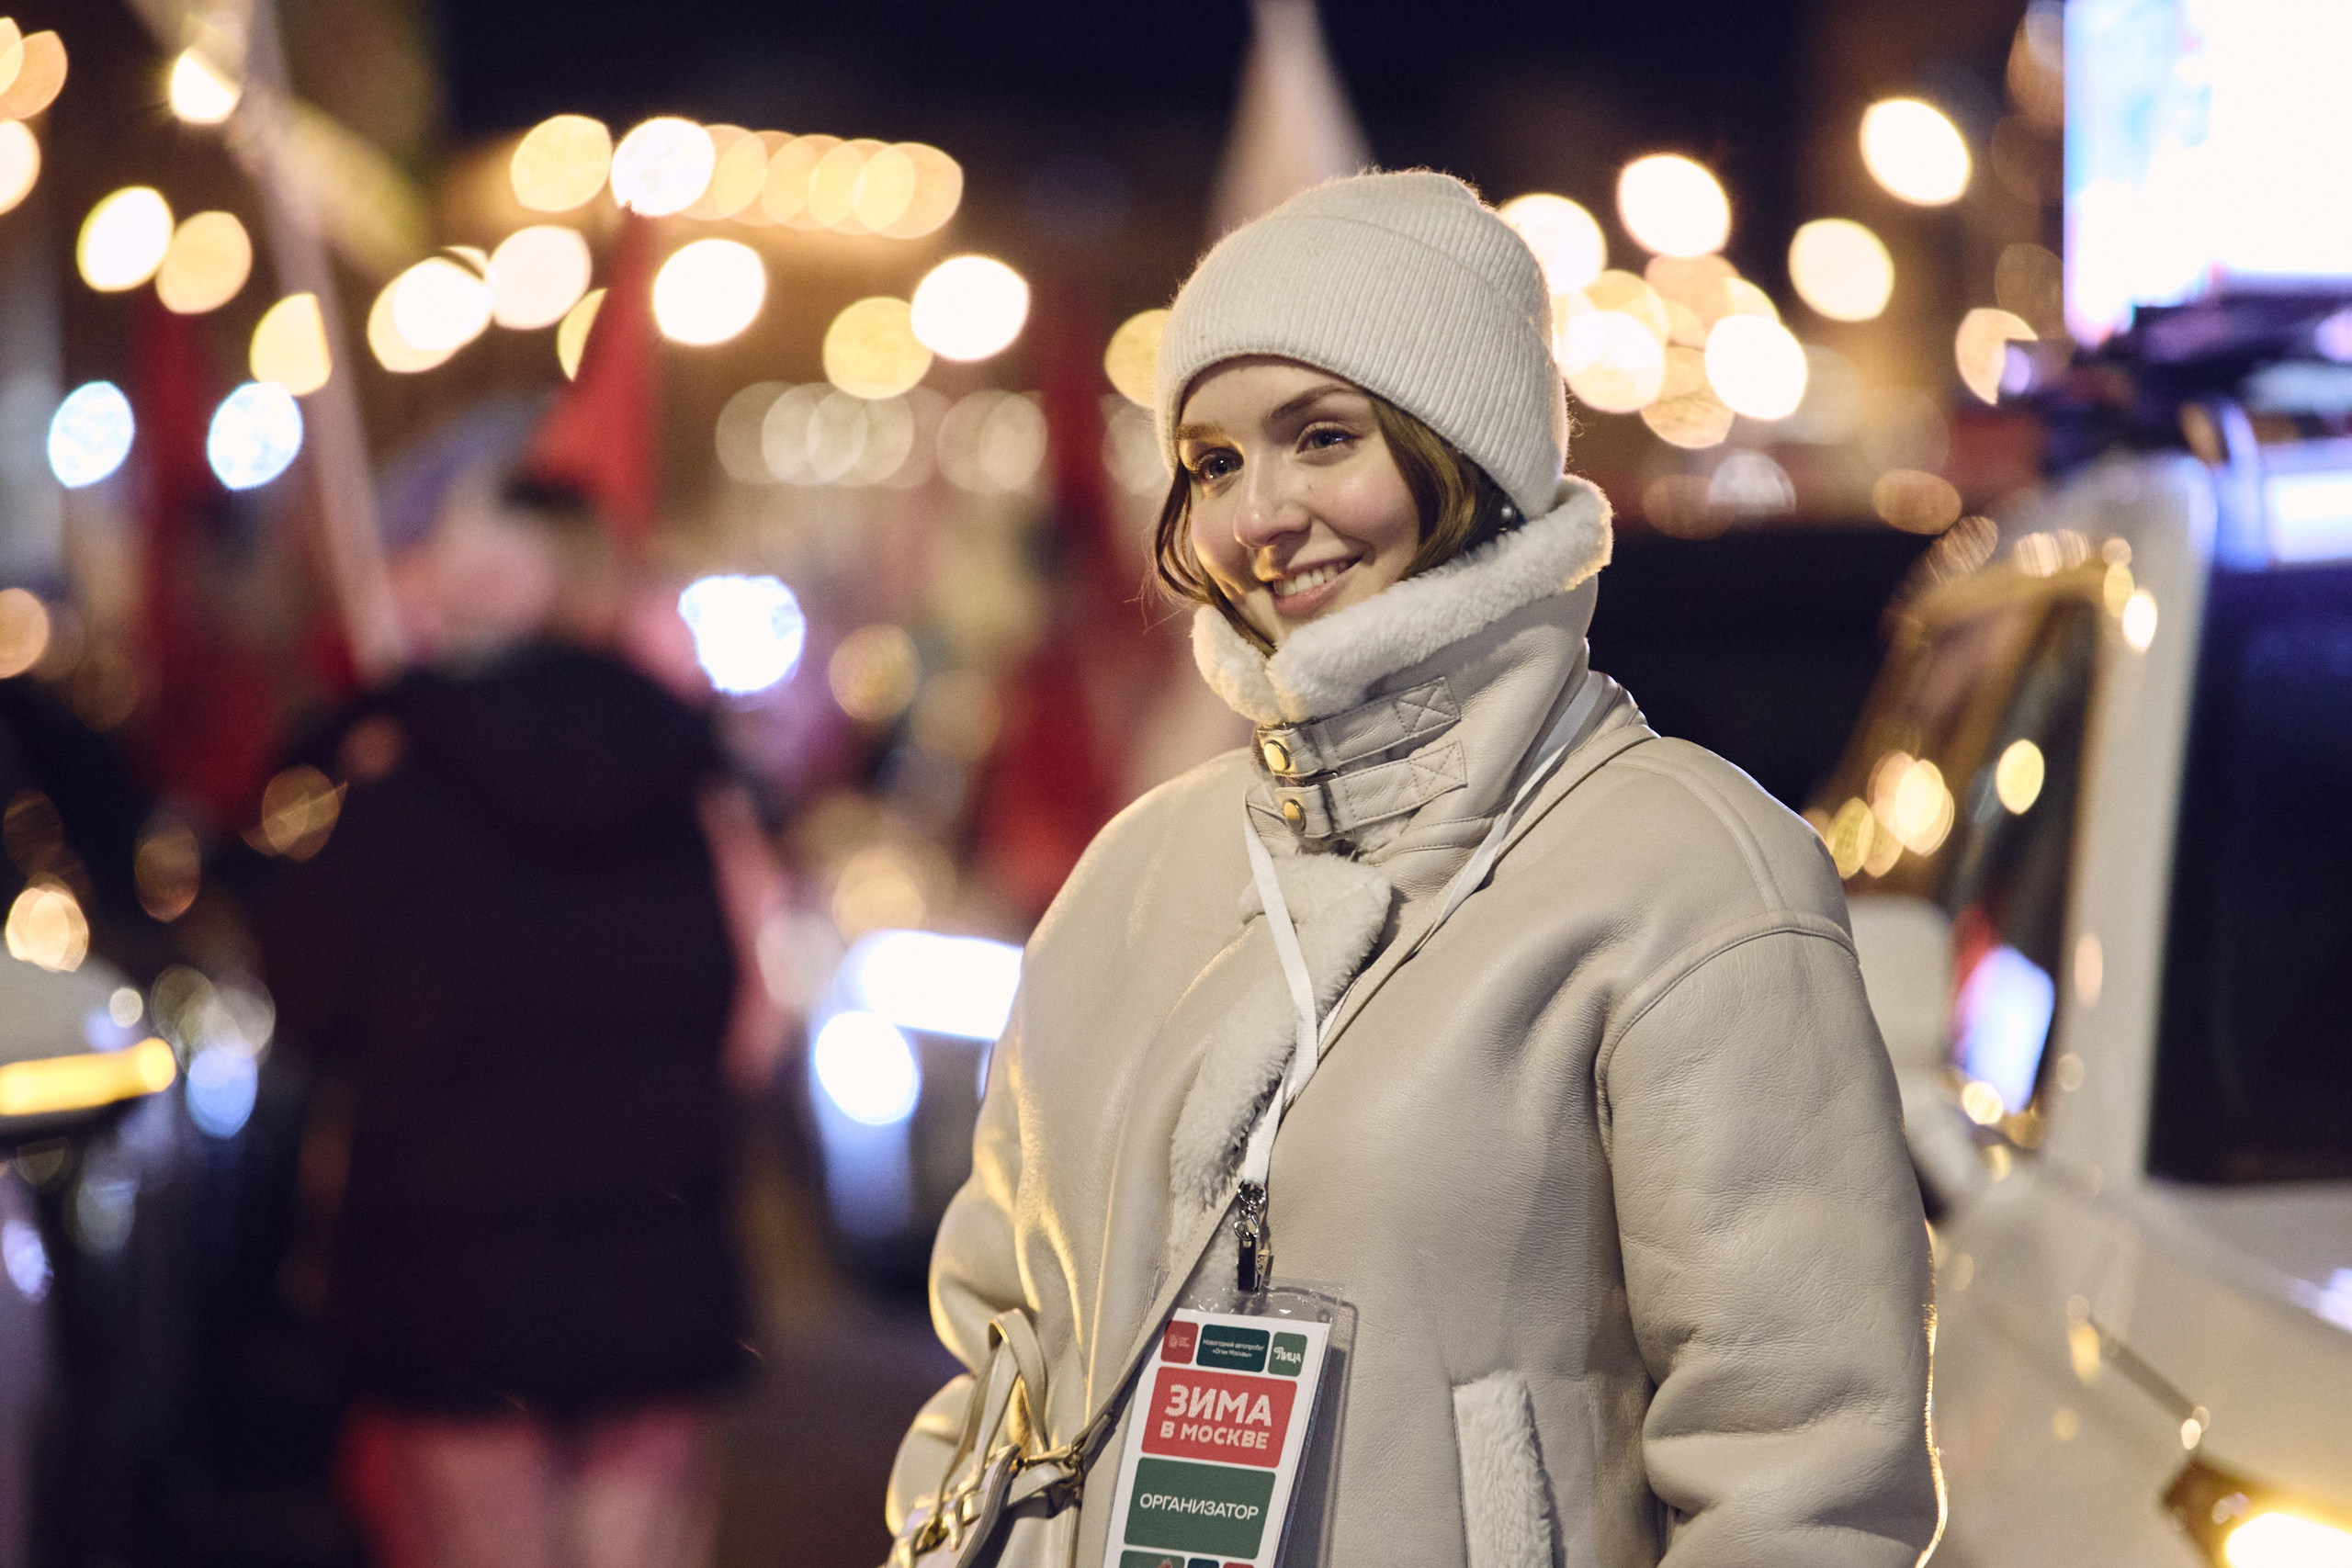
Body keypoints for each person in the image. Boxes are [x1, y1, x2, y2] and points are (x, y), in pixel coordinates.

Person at [884, 172, 1941, 1567]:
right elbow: (998, 1344)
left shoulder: (1690, 871)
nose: (1259, 513)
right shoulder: (1140, 864)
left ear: (1466, 452)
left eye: (1323, 437)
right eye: (1211, 462)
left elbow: (1806, 1477)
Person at [263, 479, 779, 1568]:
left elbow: (311, 1002)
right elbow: (749, 1010)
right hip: (650, 1224)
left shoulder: (391, 765)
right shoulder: (680, 765)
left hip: (449, 1243)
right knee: (634, 1540)